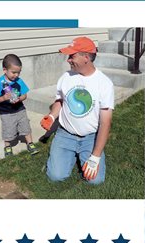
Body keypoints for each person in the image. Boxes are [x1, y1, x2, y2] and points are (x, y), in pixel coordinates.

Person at [40, 37, 114, 184]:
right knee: (55, 176)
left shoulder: (104, 84)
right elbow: (60, 101)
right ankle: (66, 155)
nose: (68, 60)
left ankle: (79, 156)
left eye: (72, 56)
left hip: (90, 138)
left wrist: (96, 156)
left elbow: (105, 123)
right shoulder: (66, 77)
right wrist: (52, 116)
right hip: (65, 135)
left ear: (86, 57)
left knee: (95, 181)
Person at [0, 54, 39, 157]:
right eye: (13, 72)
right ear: (5, 70)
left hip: (19, 109)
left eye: (18, 72)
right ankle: (7, 146)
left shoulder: (19, 81)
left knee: (25, 126)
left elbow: (25, 95)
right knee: (8, 129)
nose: (16, 75)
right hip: (6, 112)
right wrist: (4, 98)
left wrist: (19, 99)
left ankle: (30, 143)